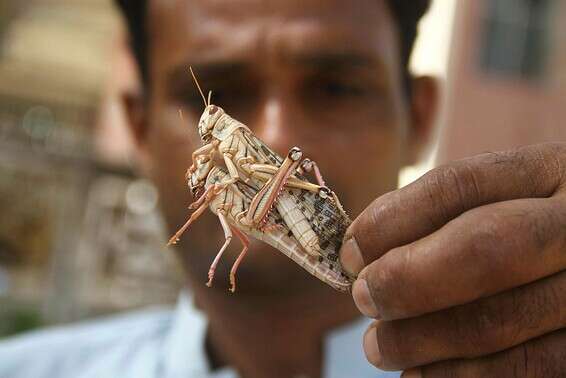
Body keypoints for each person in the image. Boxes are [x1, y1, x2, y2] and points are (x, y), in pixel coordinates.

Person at [1, 1, 565, 378]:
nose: (278, 130)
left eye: (335, 87)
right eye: (225, 89)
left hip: (300, 206)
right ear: (139, 128)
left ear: (419, 117)